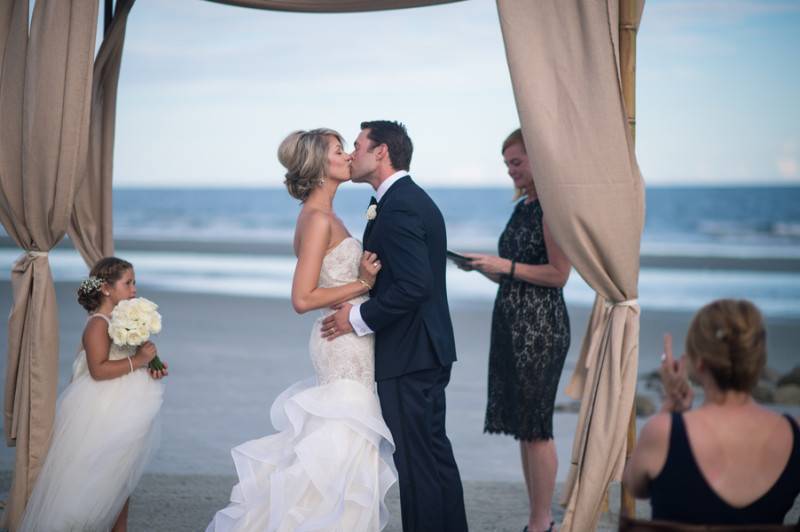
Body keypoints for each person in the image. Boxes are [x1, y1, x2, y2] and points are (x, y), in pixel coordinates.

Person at [207, 128, 396, 531]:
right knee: (339, 447)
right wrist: (364, 284)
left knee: (349, 448)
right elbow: (303, 298)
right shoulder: (315, 219)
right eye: (337, 150)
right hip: (340, 344)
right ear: (317, 165)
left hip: (353, 339)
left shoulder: (331, 216)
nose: (347, 156)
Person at [322, 120, 469, 532]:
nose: (352, 154)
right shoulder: (398, 200)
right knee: (432, 458)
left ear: (381, 151)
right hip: (423, 349)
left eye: (357, 145)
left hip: (410, 352)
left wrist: (355, 318)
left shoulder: (401, 204)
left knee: (419, 463)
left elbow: (413, 286)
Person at [458, 128, 570, 532]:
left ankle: (542, 523)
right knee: (526, 426)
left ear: (539, 159)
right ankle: (536, 517)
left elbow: (559, 275)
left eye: (517, 162)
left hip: (540, 327)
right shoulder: (524, 206)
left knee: (537, 426)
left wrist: (504, 267)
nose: (510, 171)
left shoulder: (552, 208)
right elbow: (519, 273)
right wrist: (488, 267)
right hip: (512, 321)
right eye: (507, 164)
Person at [20, 257, 167, 532]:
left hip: (128, 402)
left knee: (122, 478)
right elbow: (98, 369)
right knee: (101, 477)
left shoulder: (120, 320)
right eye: (128, 282)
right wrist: (138, 359)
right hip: (103, 407)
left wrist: (150, 365)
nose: (134, 288)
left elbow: (129, 357)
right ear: (107, 289)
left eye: (134, 281)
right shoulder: (98, 324)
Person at [623, 299, 800, 526]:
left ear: (700, 364)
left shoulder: (663, 433)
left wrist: (670, 411)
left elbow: (633, 485)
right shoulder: (793, 435)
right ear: (758, 360)